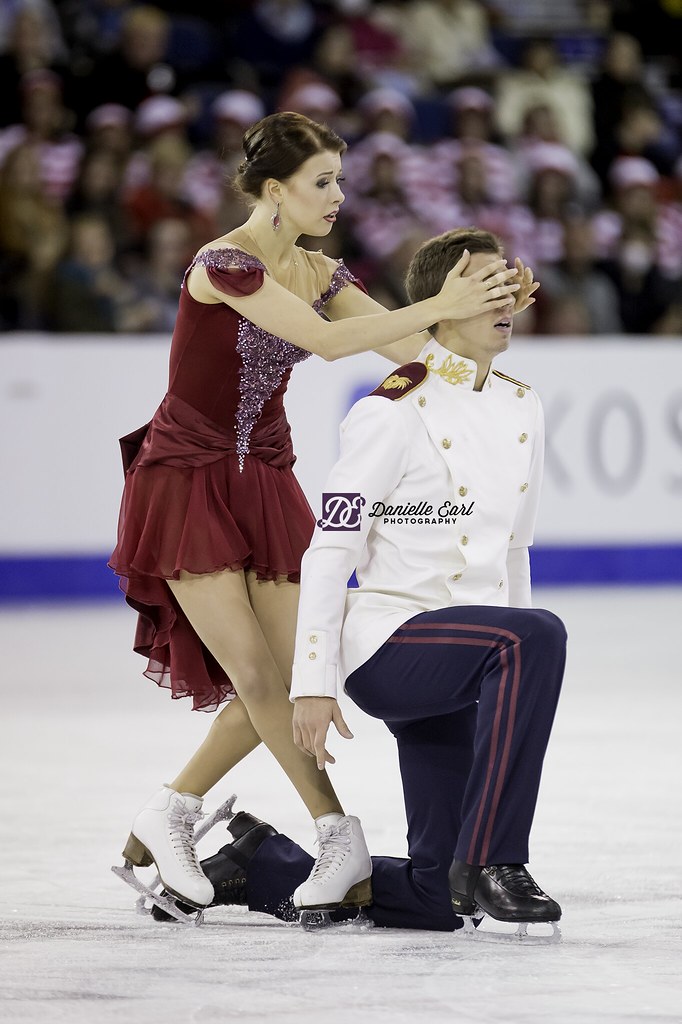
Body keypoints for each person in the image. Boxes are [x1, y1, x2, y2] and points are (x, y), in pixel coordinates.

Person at [108, 113, 524, 919]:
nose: (337, 196)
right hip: (187, 478)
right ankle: (337, 831)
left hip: (262, 479)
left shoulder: (320, 271)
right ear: (274, 191)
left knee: (300, 667)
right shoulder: (222, 266)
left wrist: (485, 323)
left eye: (339, 179)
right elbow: (330, 346)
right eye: (322, 182)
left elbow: (408, 355)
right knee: (263, 676)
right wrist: (440, 301)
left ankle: (170, 810)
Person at [182, 226, 567, 935]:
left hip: (473, 650)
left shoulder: (522, 404)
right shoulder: (393, 406)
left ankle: (261, 865)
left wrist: (506, 676)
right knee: (538, 634)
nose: (505, 299)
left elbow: (516, 548)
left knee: (437, 900)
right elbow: (329, 551)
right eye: (485, 286)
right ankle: (496, 860)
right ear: (441, 302)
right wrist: (314, 683)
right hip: (391, 644)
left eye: (507, 286)